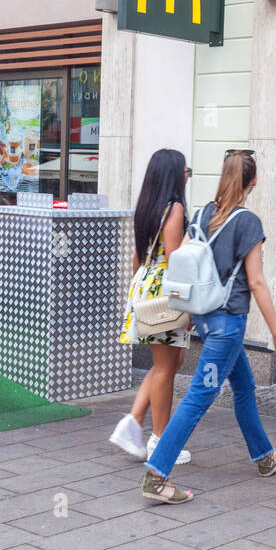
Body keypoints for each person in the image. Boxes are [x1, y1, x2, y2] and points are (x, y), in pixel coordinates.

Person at [140, 149, 276, 504]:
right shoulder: (248, 222)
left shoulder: (200, 214)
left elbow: (186, 268)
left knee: (243, 387)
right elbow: (256, 282)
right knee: (200, 396)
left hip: (209, 322)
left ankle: (265, 456)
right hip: (228, 327)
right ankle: (156, 474)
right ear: (253, 181)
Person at [111, 150, 195, 466]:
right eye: (186, 170)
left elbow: (138, 255)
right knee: (165, 367)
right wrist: (185, 304)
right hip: (165, 288)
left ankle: (132, 423)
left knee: (168, 362)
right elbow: (176, 258)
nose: (188, 175)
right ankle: (160, 440)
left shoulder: (147, 207)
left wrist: (136, 294)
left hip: (145, 283)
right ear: (174, 174)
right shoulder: (173, 209)